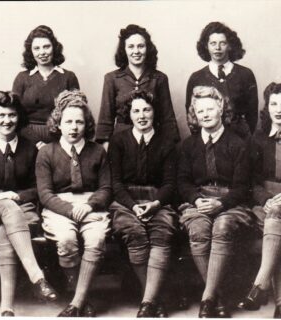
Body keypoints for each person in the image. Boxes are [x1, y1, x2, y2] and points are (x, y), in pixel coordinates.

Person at [0, 91, 57, 317]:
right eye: (1, 116)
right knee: (7, 207)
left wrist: (18, 197)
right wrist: (0, 196)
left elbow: (37, 188)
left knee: (5, 228)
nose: (7, 121)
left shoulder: (30, 148)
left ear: (19, 118)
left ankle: (7, 308)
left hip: (20, 211)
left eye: (12, 115)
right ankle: (37, 276)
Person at [178, 86, 254, 318]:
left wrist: (221, 204)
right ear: (194, 114)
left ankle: (207, 298)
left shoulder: (238, 143)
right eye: (200, 111)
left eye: (210, 108)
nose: (205, 114)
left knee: (221, 227)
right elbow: (182, 182)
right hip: (199, 202)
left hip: (230, 203)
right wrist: (196, 199)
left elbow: (243, 187)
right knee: (199, 229)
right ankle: (218, 297)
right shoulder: (188, 146)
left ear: (221, 108)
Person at [36, 90, 111, 317]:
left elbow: (106, 188)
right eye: (68, 121)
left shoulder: (97, 151)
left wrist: (88, 205)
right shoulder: (46, 153)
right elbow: (45, 194)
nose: (74, 127)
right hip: (59, 207)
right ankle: (81, 299)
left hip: (91, 206)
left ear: (86, 124)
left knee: (95, 239)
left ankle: (76, 303)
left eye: (79, 122)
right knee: (67, 240)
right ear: (58, 123)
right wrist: (70, 210)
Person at [108, 90, 179, 317]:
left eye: (146, 109)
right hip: (126, 202)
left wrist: (156, 204)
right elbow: (116, 183)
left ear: (154, 112)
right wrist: (132, 205)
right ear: (129, 114)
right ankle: (155, 298)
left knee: (162, 232)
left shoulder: (166, 142)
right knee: (134, 232)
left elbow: (170, 183)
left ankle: (147, 302)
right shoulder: (118, 141)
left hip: (158, 200)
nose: (142, 115)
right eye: (136, 111)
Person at [96, 24, 180, 149]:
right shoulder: (112, 79)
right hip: (121, 144)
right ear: (124, 50)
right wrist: (107, 148)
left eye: (141, 46)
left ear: (148, 49)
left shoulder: (160, 78)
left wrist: (168, 148)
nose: (136, 51)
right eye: (131, 46)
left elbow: (168, 119)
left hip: (153, 142)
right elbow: (105, 120)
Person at [238, 83, 281, 318]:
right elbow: (251, 182)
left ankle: (259, 285)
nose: (279, 110)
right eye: (274, 104)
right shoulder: (258, 139)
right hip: (266, 205)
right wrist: (266, 199)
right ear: (267, 107)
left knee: (276, 220)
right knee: (275, 219)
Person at [185, 21, 258, 139]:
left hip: (240, 142)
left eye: (222, 43)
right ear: (206, 46)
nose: (217, 48)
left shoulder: (245, 75)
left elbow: (252, 116)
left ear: (230, 45)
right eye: (213, 43)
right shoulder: (196, 78)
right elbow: (192, 117)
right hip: (209, 142)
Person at [12, 25, 79, 149]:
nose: (42, 52)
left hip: (60, 140)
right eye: (36, 48)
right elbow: (15, 115)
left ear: (54, 47)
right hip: (26, 140)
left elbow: (76, 114)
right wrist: (36, 142)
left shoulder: (69, 77)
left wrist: (56, 143)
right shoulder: (21, 78)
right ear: (31, 52)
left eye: (46, 47)